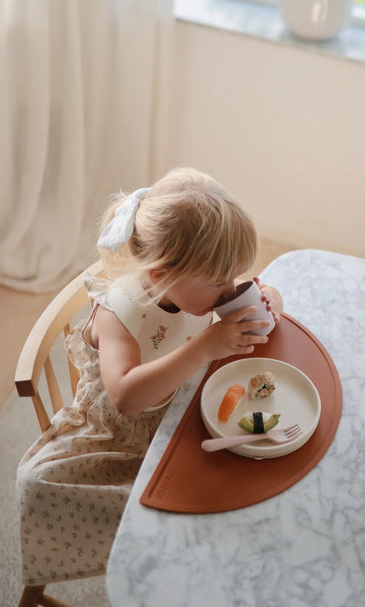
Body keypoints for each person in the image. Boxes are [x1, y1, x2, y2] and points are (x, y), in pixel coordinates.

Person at [16, 167, 284, 586]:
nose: (229, 289)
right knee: (196, 513)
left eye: (232, 277)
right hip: (121, 437)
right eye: (219, 281)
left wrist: (268, 301)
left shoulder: (194, 291)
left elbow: (245, 297)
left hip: (182, 411)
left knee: (257, 477)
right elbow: (125, 396)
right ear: (162, 275)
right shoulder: (119, 310)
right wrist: (206, 346)